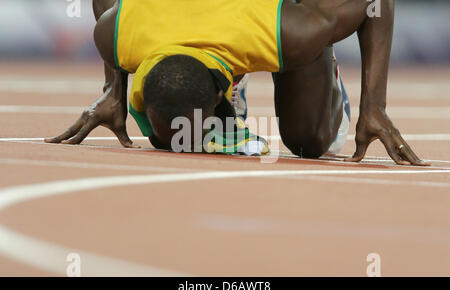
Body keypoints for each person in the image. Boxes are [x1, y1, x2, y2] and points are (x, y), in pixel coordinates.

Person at [46, 0, 428, 166]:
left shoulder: (288, 31)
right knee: (179, 131)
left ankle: (326, 76)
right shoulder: (114, 32)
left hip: (276, 16)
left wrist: (373, 107)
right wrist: (113, 91)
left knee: (308, 140)